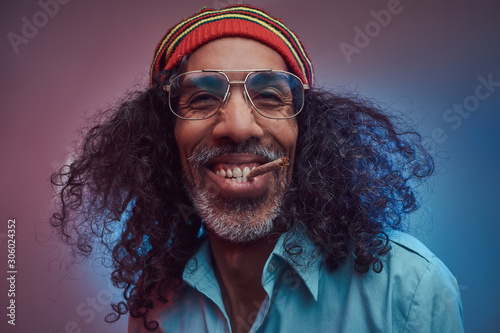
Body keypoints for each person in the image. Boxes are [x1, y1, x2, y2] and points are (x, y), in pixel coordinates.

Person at [50, 4, 464, 333]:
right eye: (201, 99)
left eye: (268, 96)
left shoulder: (408, 290)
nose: (237, 126)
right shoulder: (156, 307)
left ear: (306, 133)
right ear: (163, 138)